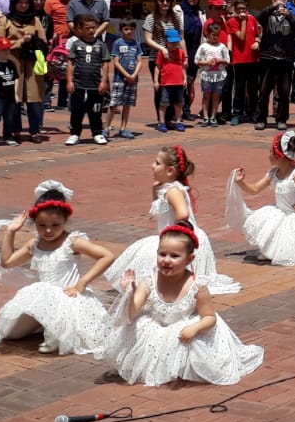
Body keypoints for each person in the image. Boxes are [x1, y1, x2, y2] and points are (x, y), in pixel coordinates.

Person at [99, 224, 265, 387]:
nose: (166, 260)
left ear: (189, 259)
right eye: (162, 254)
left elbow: (209, 317)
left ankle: (184, 366)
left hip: (184, 325)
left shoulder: (197, 286)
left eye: (174, 256)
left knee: (190, 346)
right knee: (144, 333)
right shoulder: (149, 280)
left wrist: (196, 327)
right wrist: (130, 291)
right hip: (156, 326)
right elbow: (132, 312)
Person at [0, 180, 115, 355]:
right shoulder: (34, 244)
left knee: (55, 306)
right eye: (42, 225)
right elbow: (7, 262)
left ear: (65, 220)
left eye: (55, 225)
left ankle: (55, 334)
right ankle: (45, 325)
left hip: (69, 295)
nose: (48, 231)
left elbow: (107, 256)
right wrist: (11, 232)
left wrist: (82, 282)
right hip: (44, 295)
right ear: (35, 223)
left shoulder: (71, 242)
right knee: (11, 333)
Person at [89, 145, 242, 296]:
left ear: (170, 171)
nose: (152, 166)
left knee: (151, 253)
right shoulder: (166, 188)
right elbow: (160, 209)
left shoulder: (173, 190)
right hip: (173, 237)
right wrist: (155, 191)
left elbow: (182, 214)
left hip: (183, 239)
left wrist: (173, 236)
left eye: (157, 163)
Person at [225, 129, 295, 266]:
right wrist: (241, 182)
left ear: (279, 156)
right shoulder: (273, 174)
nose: (268, 155)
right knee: (269, 224)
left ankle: (278, 252)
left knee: (289, 242)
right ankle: (272, 251)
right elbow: (255, 189)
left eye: (270, 152)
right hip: (280, 212)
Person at [0, 0, 49, 140]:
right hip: (12, 62)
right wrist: (19, 42)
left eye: (27, 3)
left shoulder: (35, 20)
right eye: (20, 3)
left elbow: (44, 42)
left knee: (35, 98)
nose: (24, 6)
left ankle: (35, 130)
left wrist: (33, 42)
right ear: (14, 3)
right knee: (13, 97)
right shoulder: (5, 20)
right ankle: (13, 130)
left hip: (32, 64)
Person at [253, 0, 295, 130]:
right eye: (277, 2)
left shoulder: (291, 16)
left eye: (282, 2)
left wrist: (289, 16)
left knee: (284, 91)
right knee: (263, 90)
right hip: (268, 58)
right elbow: (258, 17)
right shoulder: (267, 16)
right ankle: (261, 118)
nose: (280, 5)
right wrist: (271, 8)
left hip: (285, 59)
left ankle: (281, 119)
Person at [65, 15, 113, 145]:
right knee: (76, 112)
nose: (92, 30)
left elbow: (105, 64)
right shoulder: (76, 44)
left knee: (95, 111)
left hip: (95, 86)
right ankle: (75, 133)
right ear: (80, 29)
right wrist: (69, 81)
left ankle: (97, 133)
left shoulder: (101, 45)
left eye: (93, 27)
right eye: (88, 28)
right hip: (79, 85)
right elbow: (71, 63)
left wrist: (104, 82)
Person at [221, 0, 261, 125]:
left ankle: (253, 112)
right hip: (239, 60)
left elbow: (259, 33)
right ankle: (237, 113)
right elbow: (241, 37)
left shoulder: (253, 19)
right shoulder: (232, 22)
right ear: (235, 9)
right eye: (239, 9)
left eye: (244, 8)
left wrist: (257, 41)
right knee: (239, 88)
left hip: (253, 58)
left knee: (253, 88)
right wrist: (243, 21)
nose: (242, 11)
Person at [105, 18, 143, 140]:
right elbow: (115, 62)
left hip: (133, 79)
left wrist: (134, 75)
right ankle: (106, 128)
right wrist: (126, 75)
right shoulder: (118, 43)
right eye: (126, 29)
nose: (129, 31)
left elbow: (140, 61)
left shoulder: (136, 43)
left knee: (127, 104)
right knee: (114, 104)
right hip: (119, 79)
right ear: (121, 30)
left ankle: (123, 128)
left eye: (131, 29)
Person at [194, 24, 229, 126]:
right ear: (207, 34)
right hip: (207, 75)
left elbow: (227, 60)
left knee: (216, 97)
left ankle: (213, 116)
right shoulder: (203, 46)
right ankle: (205, 116)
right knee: (206, 96)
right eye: (213, 35)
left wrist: (220, 60)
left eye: (217, 35)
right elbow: (197, 60)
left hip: (218, 75)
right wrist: (207, 63)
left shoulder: (222, 46)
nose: (215, 37)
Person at [155, 28, 189, 132]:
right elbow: (157, 67)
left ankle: (179, 122)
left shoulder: (181, 53)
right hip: (166, 83)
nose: (174, 45)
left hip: (178, 83)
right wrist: (156, 81)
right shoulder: (162, 53)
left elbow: (182, 66)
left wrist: (185, 78)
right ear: (166, 41)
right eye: (172, 43)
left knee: (179, 103)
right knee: (164, 104)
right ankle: (161, 122)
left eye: (176, 42)